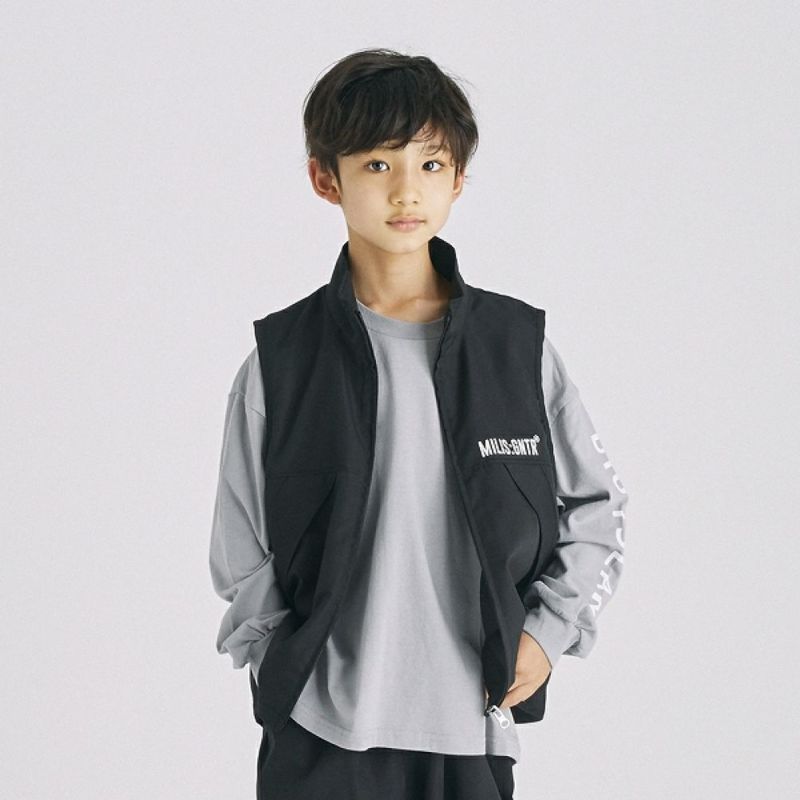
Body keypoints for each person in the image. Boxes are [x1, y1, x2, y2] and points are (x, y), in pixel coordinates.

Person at [209, 47, 629, 800]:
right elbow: (240, 543)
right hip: (320, 735)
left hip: (471, 727)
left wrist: (548, 634)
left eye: (431, 164)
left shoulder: (516, 351)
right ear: (325, 178)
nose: (406, 190)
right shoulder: (284, 359)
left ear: (459, 179)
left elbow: (598, 510)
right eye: (377, 164)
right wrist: (283, 664)